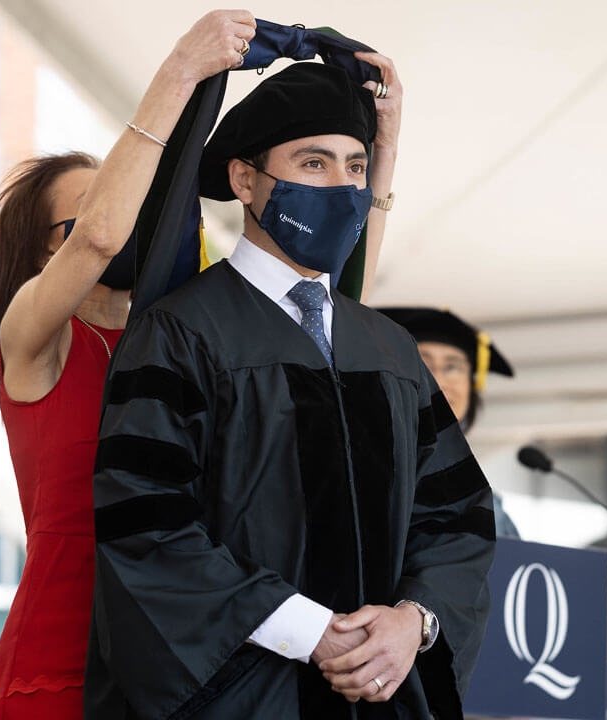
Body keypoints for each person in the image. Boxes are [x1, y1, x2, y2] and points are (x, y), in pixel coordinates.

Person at [0, 14, 406, 718]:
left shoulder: (182, 334)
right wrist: (182, 72)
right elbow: (101, 239)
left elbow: (344, 297)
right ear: (47, 253)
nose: (128, 217)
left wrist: (380, 155)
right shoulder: (34, 340)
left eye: (140, 197)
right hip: (65, 655)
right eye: (101, 204)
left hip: (181, 653)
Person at [85, 61, 494, 719]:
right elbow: (146, 520)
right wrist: (304, 629)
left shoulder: (389, 352)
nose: (342, 186)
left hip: (382, 696)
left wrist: (413, 622)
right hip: (247, 697)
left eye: (355, 168)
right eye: (313, 164)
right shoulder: (182, 333)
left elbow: (458, 517)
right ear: (245, 179)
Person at [377, 307, 521, 538]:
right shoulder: (365, 474)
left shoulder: (492, 510)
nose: (439, 381)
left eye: (452, 367)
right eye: (424, 364)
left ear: (472, 386)